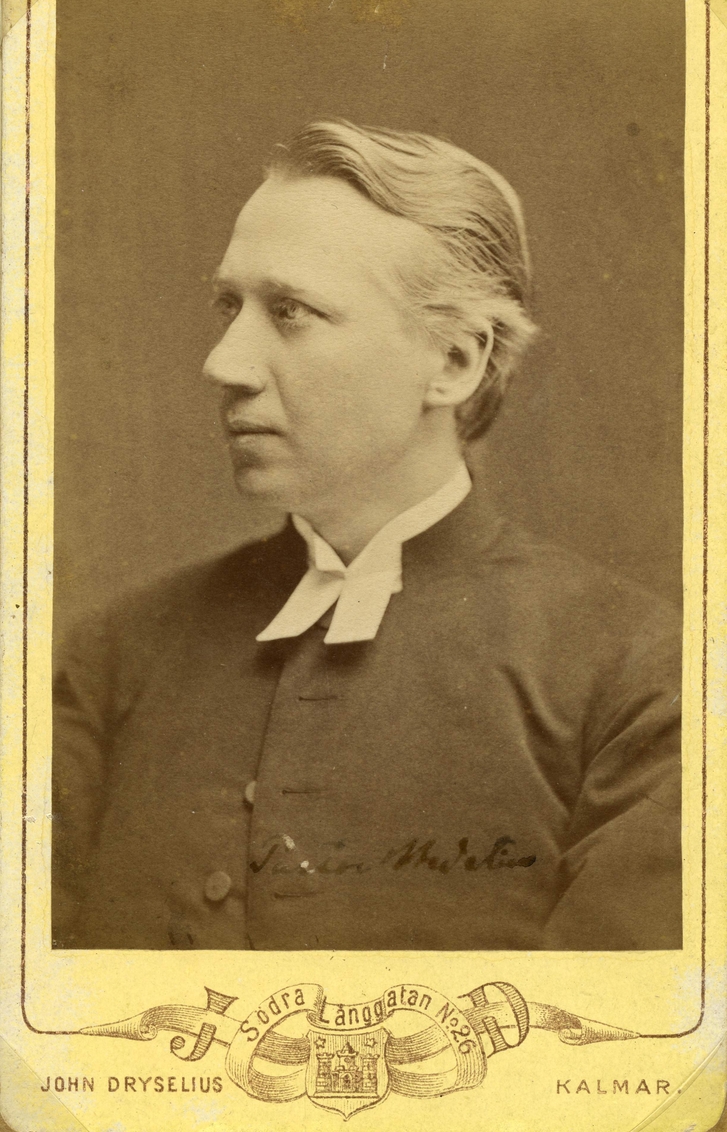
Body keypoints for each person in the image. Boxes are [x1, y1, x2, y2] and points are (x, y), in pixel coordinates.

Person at [52, 120, 681, 952]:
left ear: (453, 361)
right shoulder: (114, 659)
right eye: (228, 306)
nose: (224, 363)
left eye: (291, 312)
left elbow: (609, 1027)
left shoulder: (635, 678)